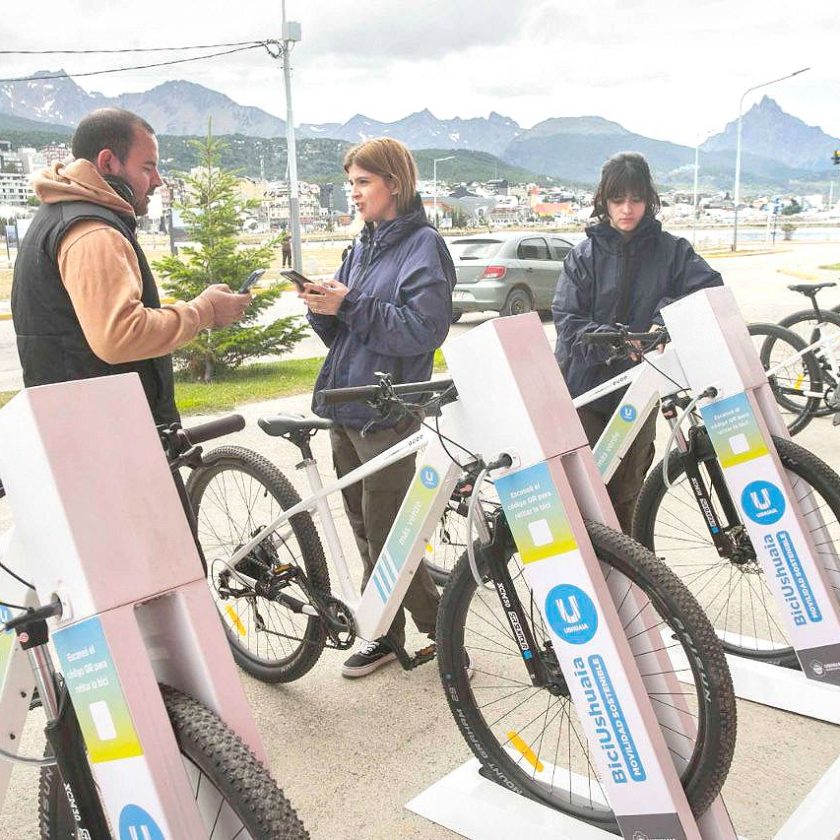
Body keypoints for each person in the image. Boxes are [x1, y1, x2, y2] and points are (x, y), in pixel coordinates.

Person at [300, 137, 456, 678]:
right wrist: (324, 309)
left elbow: (423, 330)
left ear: (394, 182)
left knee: (393, 533)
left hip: (386, 410)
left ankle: (440, 631)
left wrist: (352, 304)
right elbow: (349, 332)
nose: (354, 193)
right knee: (367, 530)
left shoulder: (423, 247)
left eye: (363, 182)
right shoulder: (361, 246)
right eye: (350, 183)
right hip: (346, 406)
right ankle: (388, 635)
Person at [12, 107, 250, 425]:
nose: (157, 180)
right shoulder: (93, 231)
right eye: (148, 167)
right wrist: (204, 311)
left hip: (79, 423)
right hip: (109, 434)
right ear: (108, 162)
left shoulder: (61, 214)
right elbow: (120, 336)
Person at [552, 151, 722, 533]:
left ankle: (633, 581)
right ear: (603, 201)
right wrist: (615, 342)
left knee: (626, 493)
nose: (627, 209)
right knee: (583, 501)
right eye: (617, 199)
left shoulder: (673, 251)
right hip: (584, 395)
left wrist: (661, 322)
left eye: (636, 199)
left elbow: (709, 288)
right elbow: (568, 322)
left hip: (640, 395)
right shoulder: (583, 257)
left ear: (649, 199)